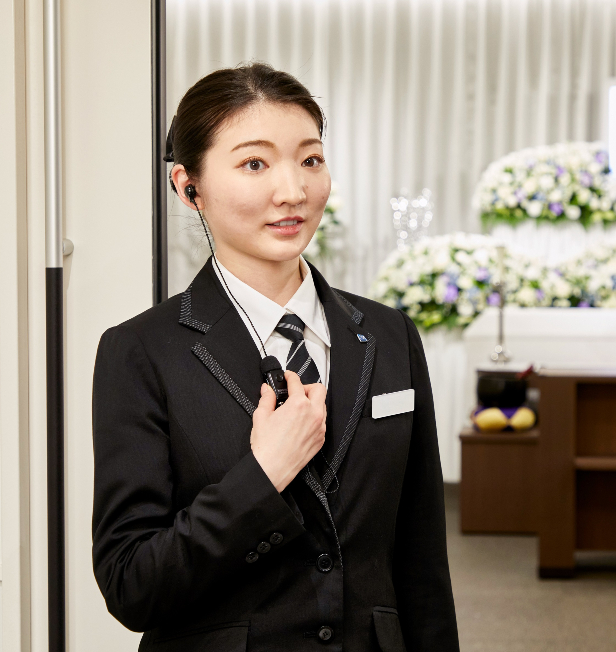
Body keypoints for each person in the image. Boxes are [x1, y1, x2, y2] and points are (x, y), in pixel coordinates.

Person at [91, 61, 459, 652]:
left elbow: (422, 562)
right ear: (188, 188)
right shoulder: (139, 352)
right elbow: (131, 584)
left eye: (310, 159)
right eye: (254, 163)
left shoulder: (390, 336)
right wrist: (262, 477)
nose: (293, 191)